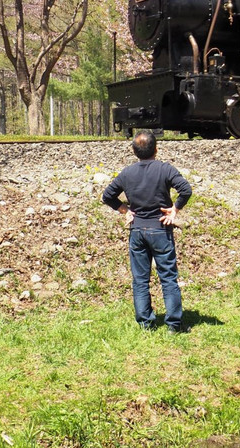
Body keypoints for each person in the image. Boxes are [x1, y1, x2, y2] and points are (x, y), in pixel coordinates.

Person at [102, 131, 193, 333]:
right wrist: (174, 209)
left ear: (134, 152)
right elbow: (185, 190)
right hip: (160, 229)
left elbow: (107, 196)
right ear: (156, 149)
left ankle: (145, 323)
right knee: (168, 277)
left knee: (140, 279)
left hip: (137, 231)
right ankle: (174, 325)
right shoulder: (165, 169)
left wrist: (125, 210)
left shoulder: (127, 173)